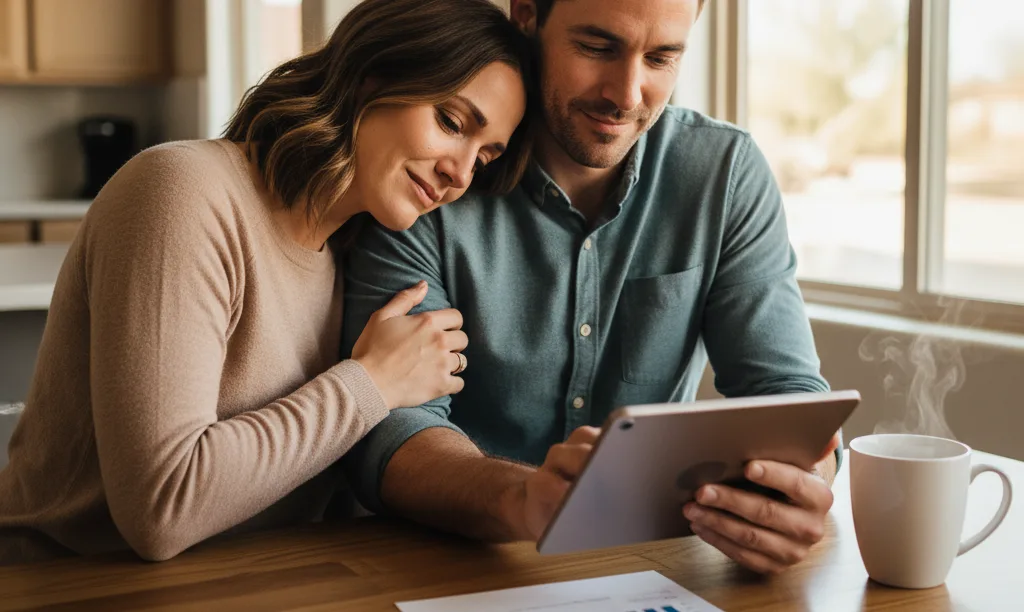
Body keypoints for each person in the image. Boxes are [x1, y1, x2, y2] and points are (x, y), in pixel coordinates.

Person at [0, 0, 531, 565]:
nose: (460, 172)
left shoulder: (350, 250)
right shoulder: (182, 194)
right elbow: (161, 508)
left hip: (246, 581)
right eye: (451, 122)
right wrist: (372, 382)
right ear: (371, 76)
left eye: (485, 157)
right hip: (65, 583)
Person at [339, 0, 842, 576]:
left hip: (650, 569)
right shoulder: (436, 168)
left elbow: (788, 393)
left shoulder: (723, 173)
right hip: (446, 566)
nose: (627, 95)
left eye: (661, 57)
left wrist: (801, 486)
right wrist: (522, 499)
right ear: (527, 15)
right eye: (597, 48)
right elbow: (389, 425)